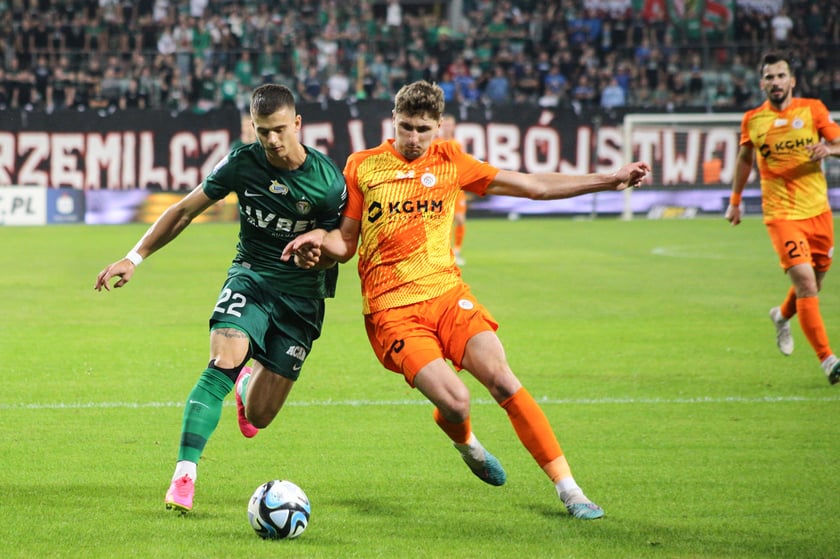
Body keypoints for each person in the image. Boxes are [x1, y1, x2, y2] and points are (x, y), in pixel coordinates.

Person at [281, 80, 650, 520]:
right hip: (393, 311)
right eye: (405, 127)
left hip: (448, 296)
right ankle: (466, 442)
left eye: (423, 129)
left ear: (439, 126)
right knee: (456, 402)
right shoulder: (363, 166)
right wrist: (318, 243)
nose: (413, 138)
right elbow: (345, 244)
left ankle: (570, 490)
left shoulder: (451, 160)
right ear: (392, 121)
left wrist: (609, 179)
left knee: (503, 380)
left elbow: (532, 186)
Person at [94, 84, 347, 513]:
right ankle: (184, 475)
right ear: (253, 127)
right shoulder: (242, 163)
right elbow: (184, 210)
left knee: (261, 416)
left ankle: (247, 387)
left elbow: (343, 243)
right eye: (263, 131)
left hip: (302, 298)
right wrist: (134, 257)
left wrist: (319, 246)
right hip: (250, 278)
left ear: (298, 124)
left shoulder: (327, 182)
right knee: (221, 362)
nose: (272, 140)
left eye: (280, 130)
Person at [725, 51, 840, 385]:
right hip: (780, 214)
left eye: (780, 76)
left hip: (818, 211)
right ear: (762, 83)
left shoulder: (813, 109)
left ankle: (781, 315)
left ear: (792, 81)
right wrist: (735, 201)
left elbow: (838, 143)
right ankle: (829, 361)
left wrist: (829, 149)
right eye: (769, 77)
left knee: (814, 283)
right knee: (805, 282)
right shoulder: (753, 120)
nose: (775, 82)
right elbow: (745, 159)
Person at [439, 113, 468, 266]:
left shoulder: (457, 145)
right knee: (446, 221)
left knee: (460, 219)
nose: (447, 127)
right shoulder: (434, 144)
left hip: (456, 186)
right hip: (441, 188)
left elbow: (461, 164)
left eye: (449, 125)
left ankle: (457, 250)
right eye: (445, 124)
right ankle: (446, 252)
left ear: (453, 127)